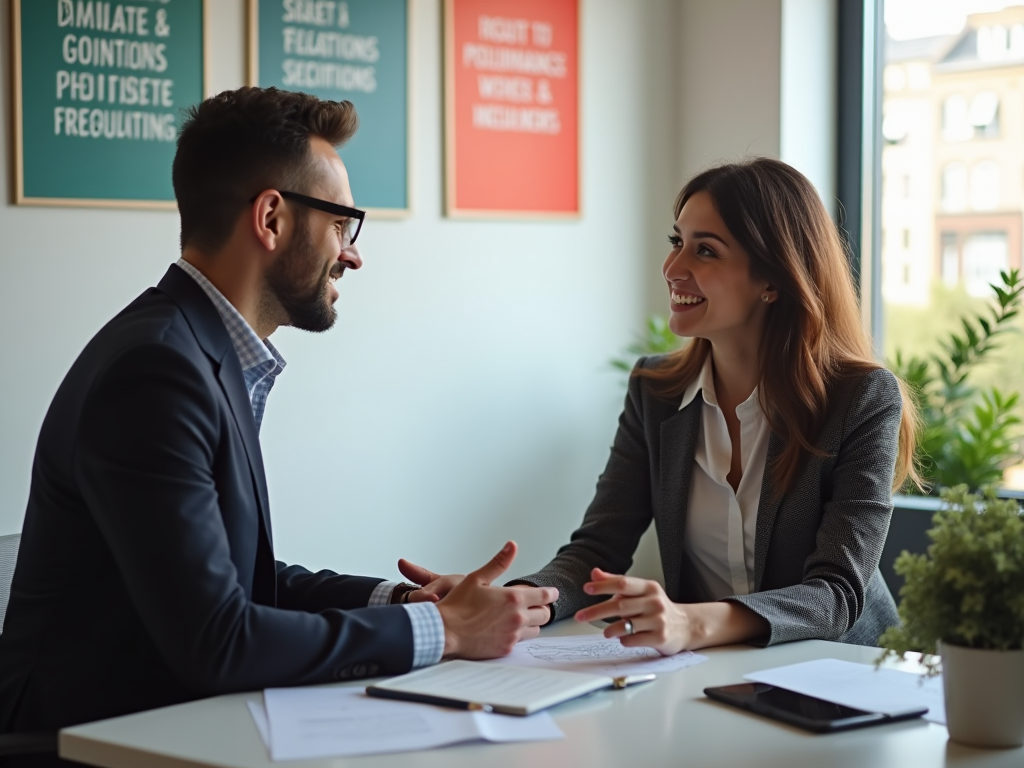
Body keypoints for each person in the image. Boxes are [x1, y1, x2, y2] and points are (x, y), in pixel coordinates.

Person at [0, 87, 556, 737]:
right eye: (342, 225)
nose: (353, 253)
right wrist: (445, 630)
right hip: (82, 741)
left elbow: (243, 583)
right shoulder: (155, 371)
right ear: (271, 219)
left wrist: (406, 601)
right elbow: (219, 639)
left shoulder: (195, 348)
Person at [506, 158, 918, 652]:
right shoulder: (653, 392)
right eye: (676, 242)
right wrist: (521, 602)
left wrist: (691, 624)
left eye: (705, 251)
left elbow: (836, 594)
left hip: (843, 677)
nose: (673, 268)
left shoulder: (861, 399)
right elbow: (597, 549)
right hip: (713, 674)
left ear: (773, 280)